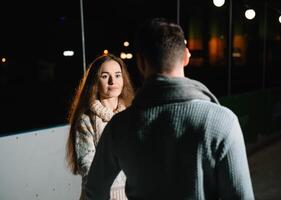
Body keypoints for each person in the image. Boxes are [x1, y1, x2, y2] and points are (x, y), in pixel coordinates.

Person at [86, 18, 255, 200]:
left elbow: (94, 190)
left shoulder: (119, 126)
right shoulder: (222, 121)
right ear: (186, 57)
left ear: (141, 63)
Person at [65, 53, 134, 200]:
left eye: (117, 75)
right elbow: (87, 165)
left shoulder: (131, 115)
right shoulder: (85, 120)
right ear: (95, 82)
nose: (112, 81)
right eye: (105, 76)